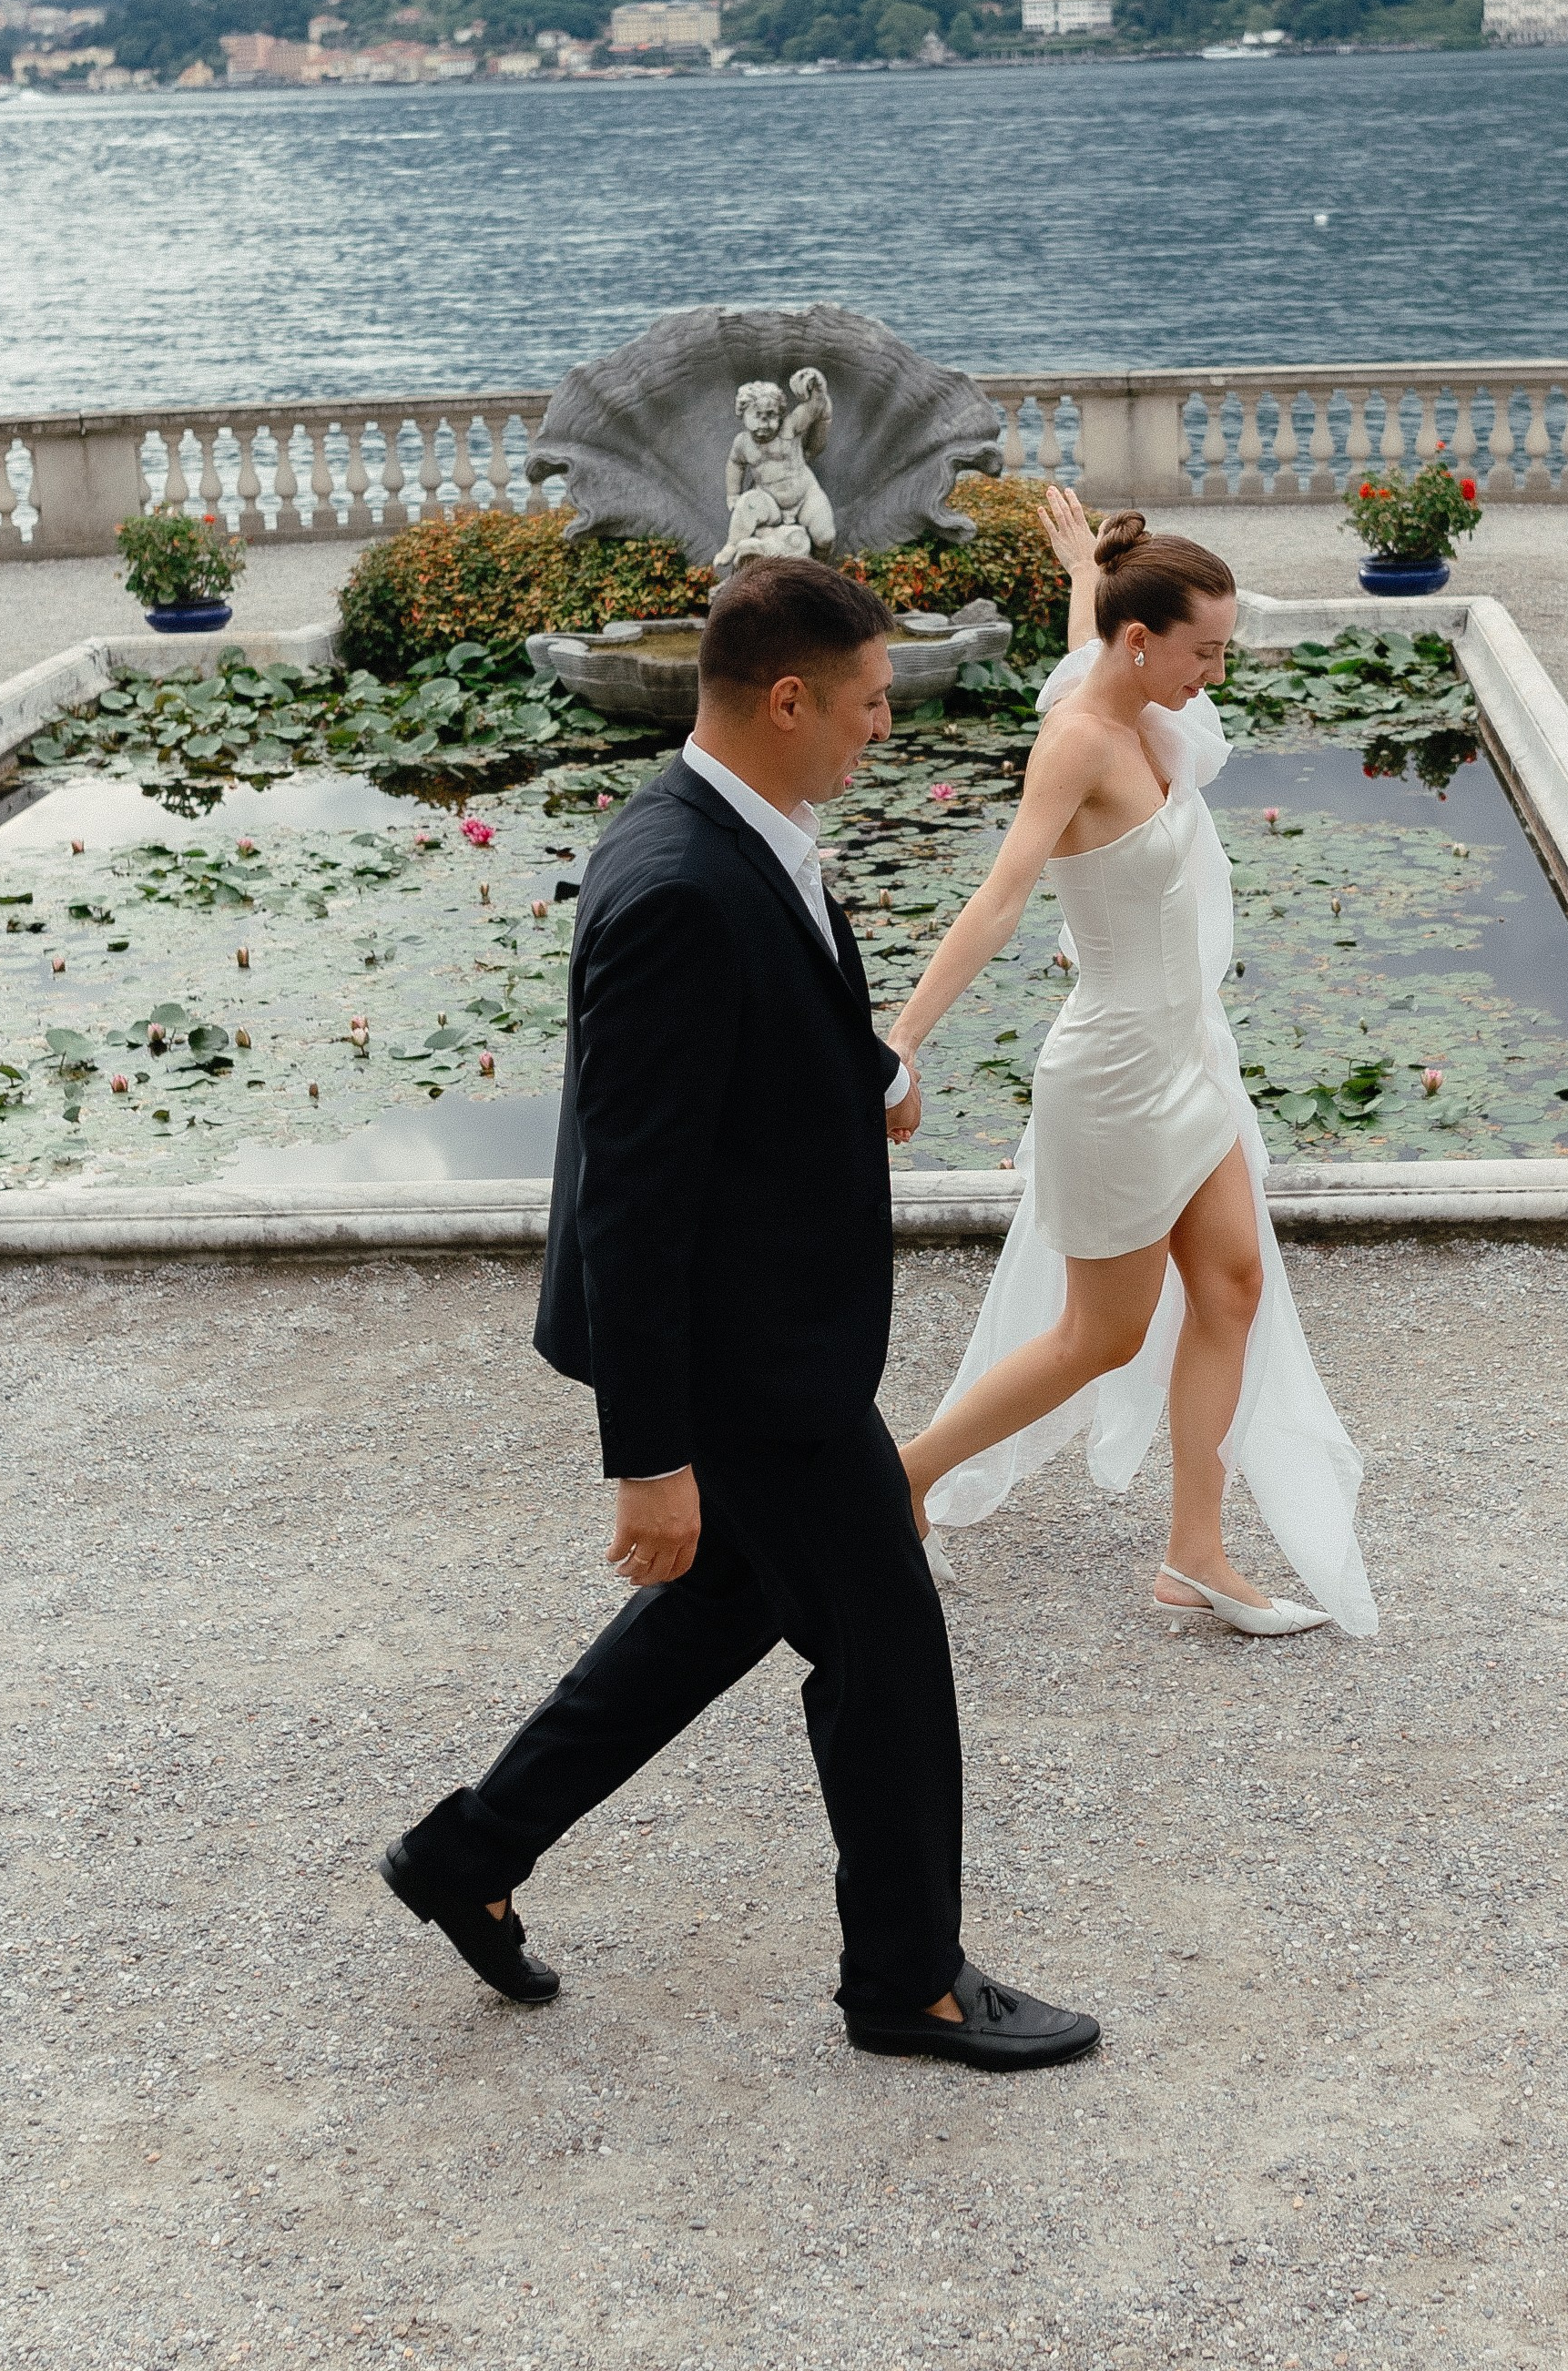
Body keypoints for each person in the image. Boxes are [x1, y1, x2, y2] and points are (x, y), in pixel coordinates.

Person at [380, 555, 1098, 2071]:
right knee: (886, 1641)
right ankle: (908, 1982)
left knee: (728, 1603)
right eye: (867, 702)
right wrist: (646, 1455)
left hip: (762, 1337)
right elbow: (636, 1197)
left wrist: (869, 1072)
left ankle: (469, 1850)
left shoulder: (727, 823)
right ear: (788, 699)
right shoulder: (681, 886)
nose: (882, 730)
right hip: (743, 1360)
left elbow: (767, 1039)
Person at [891, 494, 1378, 1640]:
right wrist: (900, 1040)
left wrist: (1082, 571)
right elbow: (1003, 896)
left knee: (1234, 1287)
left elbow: (1085, 657)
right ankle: (896, 1484)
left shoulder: (1131, 708)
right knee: (1097, 1335)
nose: (1216, 670)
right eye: (1204, 649)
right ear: (1144, 640)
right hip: (1110, 1077)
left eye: (1225, 648)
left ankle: (1194, 1555)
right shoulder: (1074, 741)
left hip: (1189, 1066)